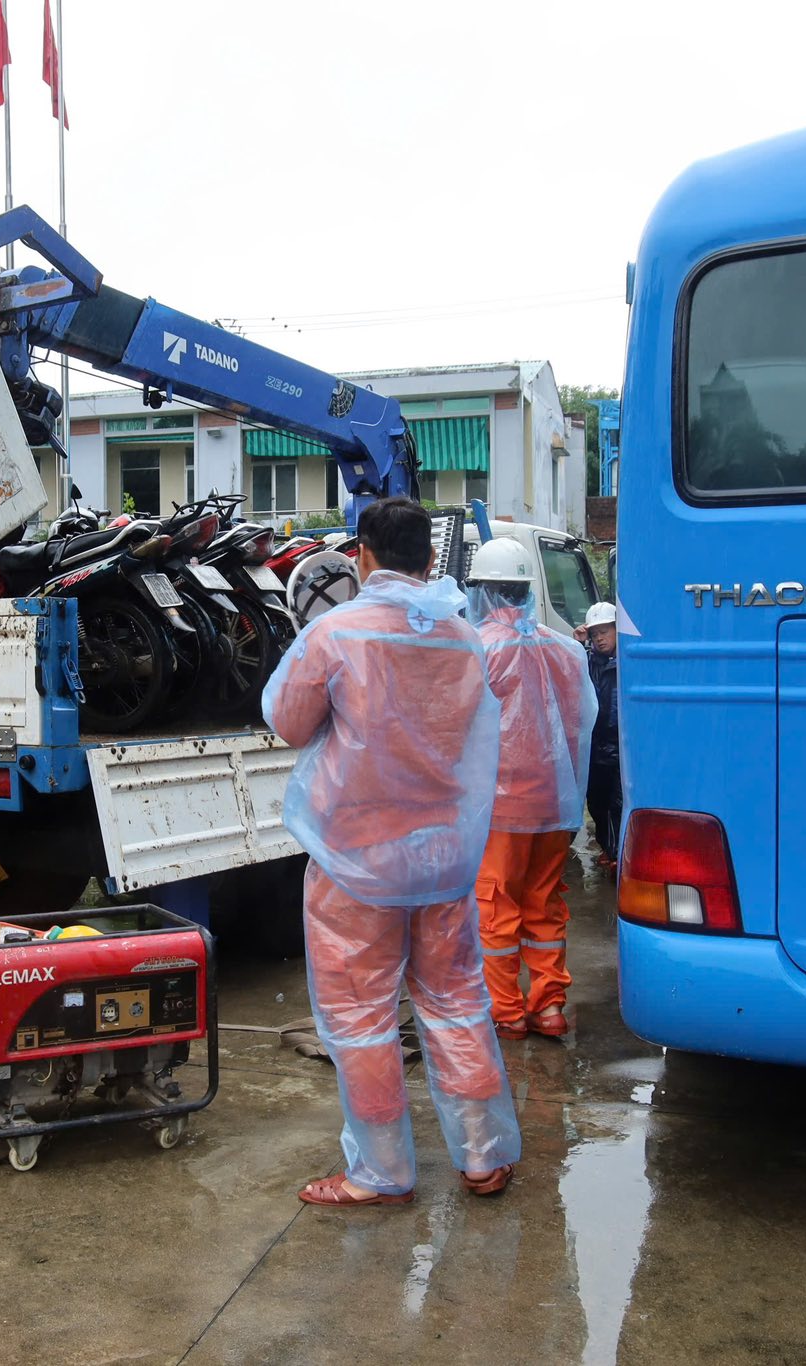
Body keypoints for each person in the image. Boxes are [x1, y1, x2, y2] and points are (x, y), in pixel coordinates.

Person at [263, 497, 522, 1207]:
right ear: (432, 560)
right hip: (442, 857)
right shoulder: (465, 637)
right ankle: (483, 1153)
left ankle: (381, 1170)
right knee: (456, 1000)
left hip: (357, 861)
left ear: (362, 556)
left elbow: (288, 723)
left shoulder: (336, 633)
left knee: (360, 1015)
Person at [465, 540, 597, 1040]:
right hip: (556, 804)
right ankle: (549, 1006)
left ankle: (507, 1011)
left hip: (499, 806)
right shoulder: (564, 648)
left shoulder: (477, 647)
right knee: (545, 904)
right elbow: (583, 722)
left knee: (497, 907)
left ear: (479, 588)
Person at [582, 602, 622, 872]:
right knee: (596, 801)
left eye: (605, 631)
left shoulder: (629, 662)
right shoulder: (587, 661)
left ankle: (619, 851)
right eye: (595, 633)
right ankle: (608, 847)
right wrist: (577, 643)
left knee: (618, 802)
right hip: (595, 746)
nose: (600, 638)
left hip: (621, 746)